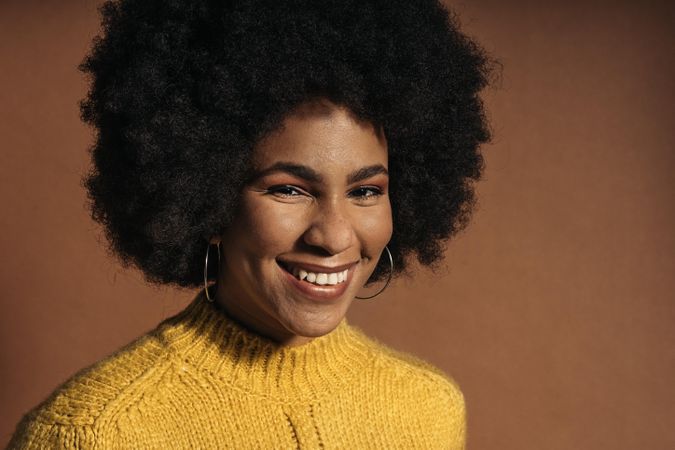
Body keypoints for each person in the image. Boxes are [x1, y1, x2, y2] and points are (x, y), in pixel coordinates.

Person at [9, 0, 492, 448]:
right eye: (289, 189)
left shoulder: (427, 409)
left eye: (365, 191)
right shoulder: (93, 433)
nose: (336, 236)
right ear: (205, 195)